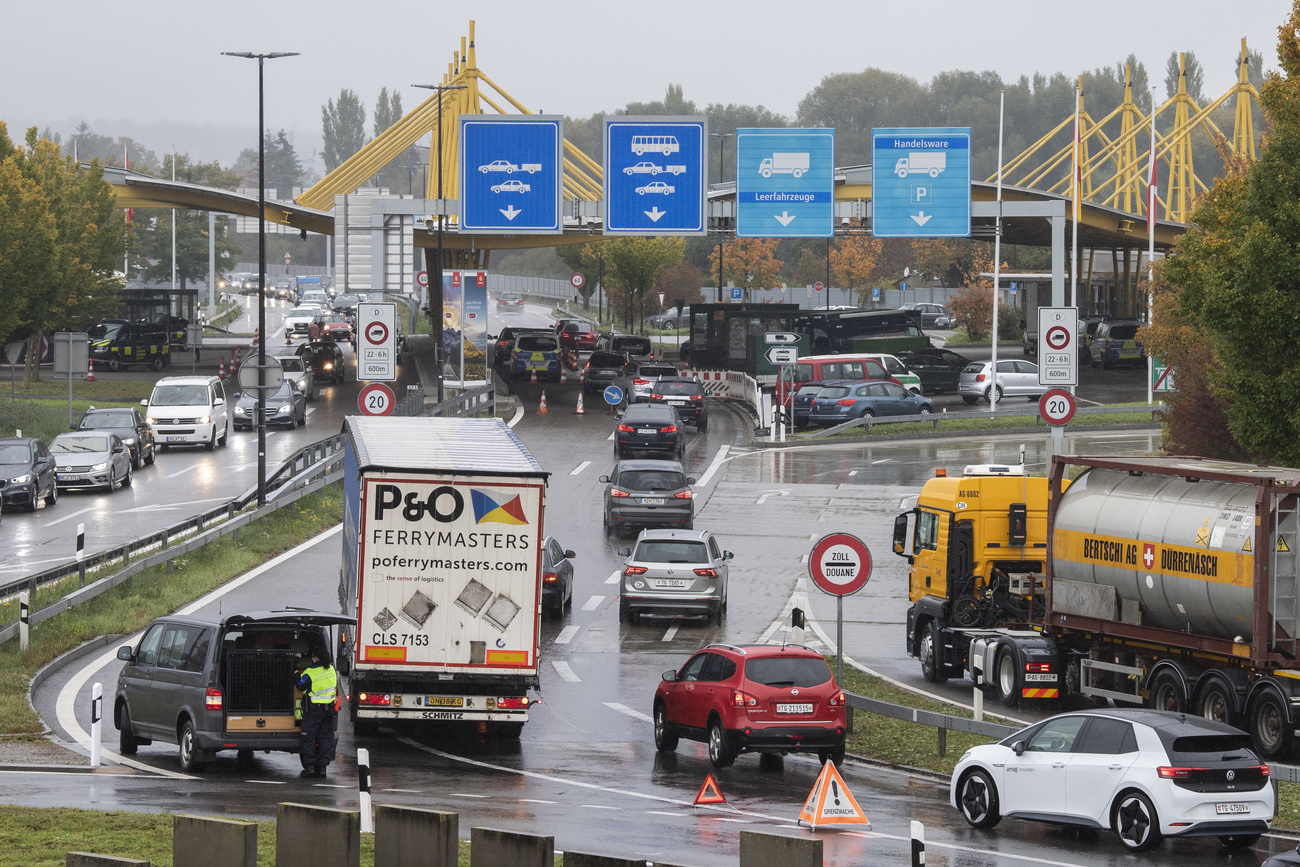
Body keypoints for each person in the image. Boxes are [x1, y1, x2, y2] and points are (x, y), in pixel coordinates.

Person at [295, 646, 339, 778]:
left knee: (309, 738)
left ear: (316, 658)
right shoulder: (331, 669)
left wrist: (297, 674)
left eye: (313, 657)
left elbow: (300, 685)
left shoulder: (310, 672)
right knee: (325, 738)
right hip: (329, 711)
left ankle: (309, 767)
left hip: (314, 711)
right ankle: (322, 768)